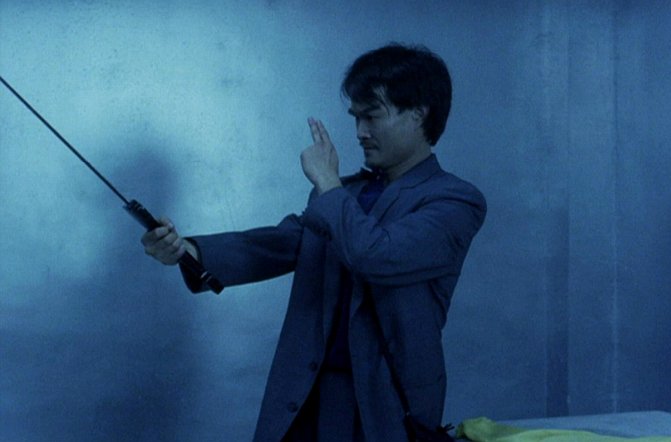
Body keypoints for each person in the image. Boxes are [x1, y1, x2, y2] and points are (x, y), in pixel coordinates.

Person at [141, 43, 486, 442]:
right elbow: (282, 243)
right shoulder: (345, 193)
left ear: (418, 113)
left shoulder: (454, 200)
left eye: (372, 116)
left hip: (385, 405)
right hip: (306, 398)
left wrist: (327, 182)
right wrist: (187, 251)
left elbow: (378, 256)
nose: (360, 132)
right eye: (356, 118)